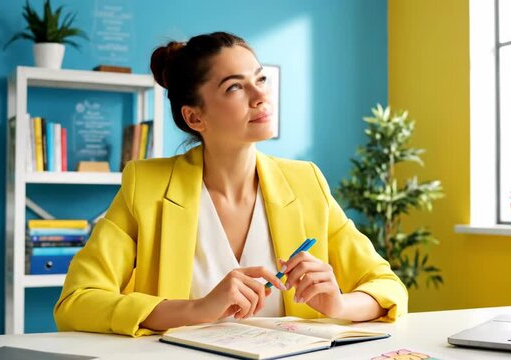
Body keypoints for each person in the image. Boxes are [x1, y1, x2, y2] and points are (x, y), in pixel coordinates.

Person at [54, 31, 408, 337]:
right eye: (235, 86)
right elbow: (77, 302)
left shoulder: (306, 182)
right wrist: (197, 309)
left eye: (261, 79)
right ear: (195, 116)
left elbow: (388, 287)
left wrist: (339, 303)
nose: (260, 96)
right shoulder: (145, 186)